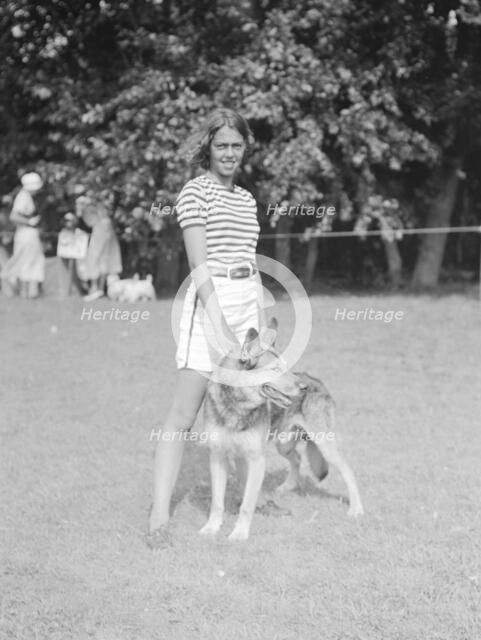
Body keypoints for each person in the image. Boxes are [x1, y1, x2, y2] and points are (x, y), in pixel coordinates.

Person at [148, 108, 264, 545]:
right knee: (183, 414)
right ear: (208, 149)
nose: (230, 153)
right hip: (208, 305)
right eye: (222, 146)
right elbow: (199, 263)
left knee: (243, 408)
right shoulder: (195, 193)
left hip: (245, 304)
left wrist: (255, 320)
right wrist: (218, 322)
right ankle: (159, 518)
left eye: (237, 145)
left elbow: (249, 262)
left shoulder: (247, 199)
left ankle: (238, 501)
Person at [1, 172, 45, 298]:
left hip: (27, 233)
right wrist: (29, 221)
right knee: (25, 261)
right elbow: (14, 216)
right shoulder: (23, 197)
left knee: (29, 261)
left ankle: (27, 292)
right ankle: (24, 291)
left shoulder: (25, 196)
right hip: (26, 233)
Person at [76, 191, 122, 300]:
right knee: (102, 258)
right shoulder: (93, 204)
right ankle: (98, 289)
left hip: (101, 230)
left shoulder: (92, 204)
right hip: (103, 229)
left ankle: (96, 288)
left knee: (96, 258)